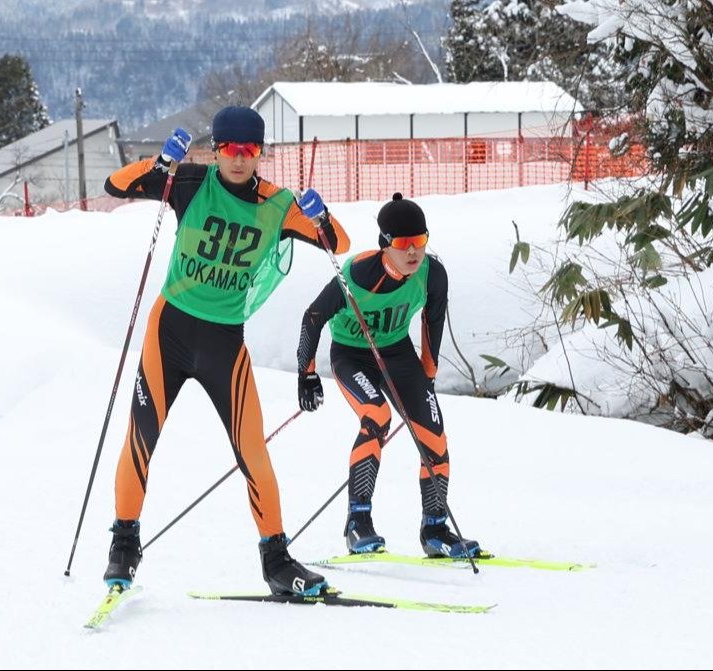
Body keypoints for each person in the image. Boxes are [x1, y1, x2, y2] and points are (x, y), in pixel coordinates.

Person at [100, 105, 351, 595]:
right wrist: (157, 166)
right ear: (216, 151)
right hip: (169, 331)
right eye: (230, 149)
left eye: (250, 149)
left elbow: (337, 242)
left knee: (253, 450)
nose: (239, 158)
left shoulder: (277, 204)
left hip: (224, 341)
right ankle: (123, 545)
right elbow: (116, 186)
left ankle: (276, 561)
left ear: (260, 153)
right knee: (141, 437)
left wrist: (322, 214)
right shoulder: (190, 183)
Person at [296, 193, 481, 559]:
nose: (413, 251)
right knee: (376, 416)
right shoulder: (358, 274)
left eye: (420, 242)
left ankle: (435, 529)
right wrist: (307, 373)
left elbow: (433, 320)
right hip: (352, 355)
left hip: (397, 354)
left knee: (434, 435)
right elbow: (312, 317)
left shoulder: (433, 273)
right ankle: (358, 523)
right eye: (402, 244)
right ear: (385, 244)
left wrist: (428, 372)